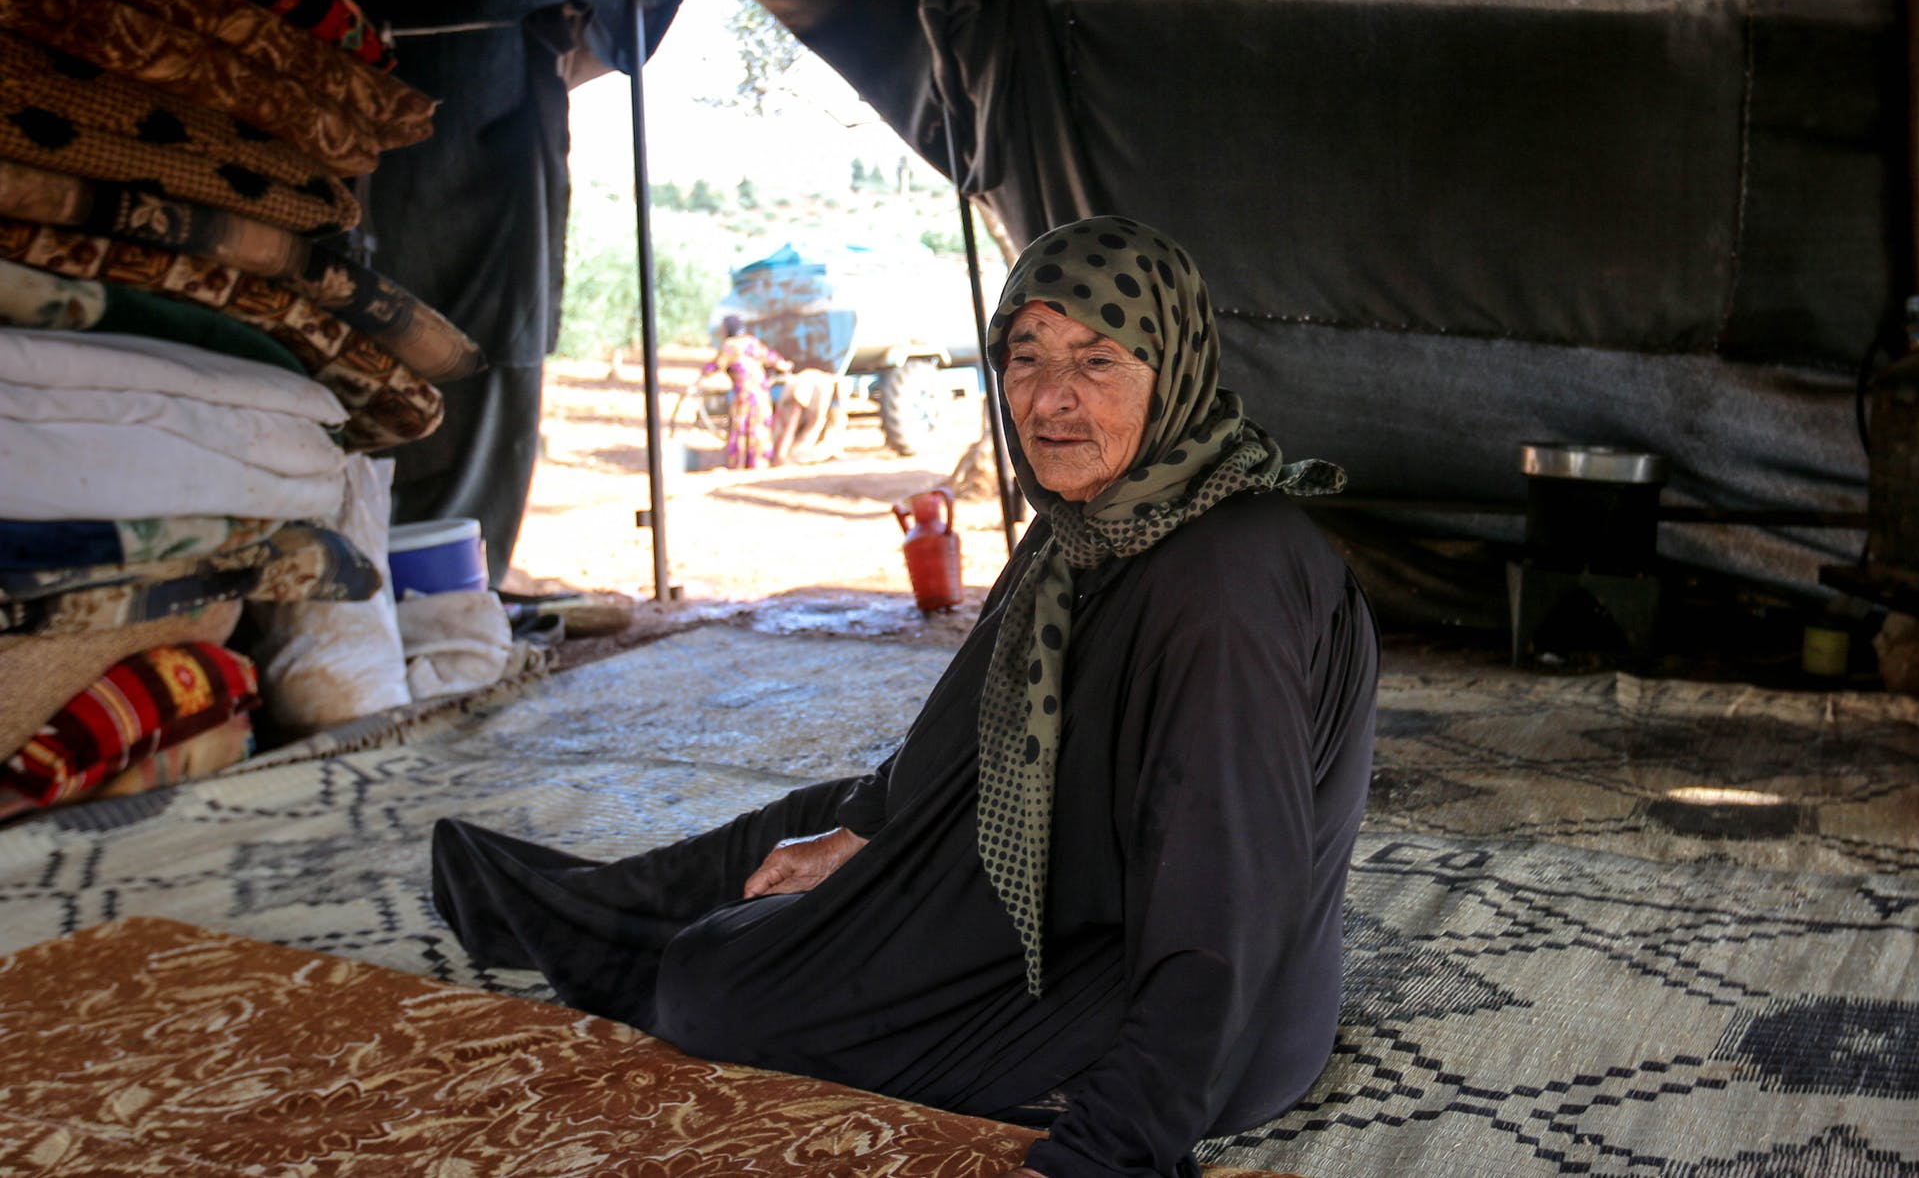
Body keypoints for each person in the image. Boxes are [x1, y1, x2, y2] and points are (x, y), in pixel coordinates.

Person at [430, 216, 1380, 1178]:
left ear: (1170, 363)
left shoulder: (1224, 582)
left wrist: (1120, 1141)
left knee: (719, 985)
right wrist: (874, 830)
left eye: (1098, 361)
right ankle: (574, 908)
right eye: (1026, 354)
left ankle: (625, 940)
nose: (1050, 399)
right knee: (834, 816)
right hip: (1097, 880)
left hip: (1189, 998)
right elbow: (971, 725)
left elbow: (1224, 896)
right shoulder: (1101, 520)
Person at [694, 316, 794, 470]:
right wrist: (785, 366)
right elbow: (771, 358)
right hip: (761, 393)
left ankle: (740, 463)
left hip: (744, 395)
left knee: (741, 426)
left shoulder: (730, 346)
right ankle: (759, 462)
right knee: (760, 427)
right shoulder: (751, 342)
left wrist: (698, 381)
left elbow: (715, 366)